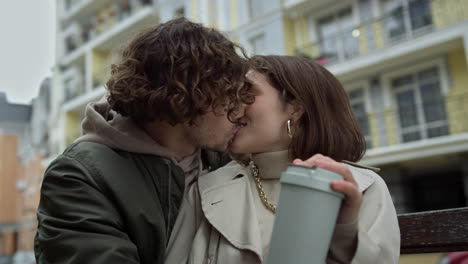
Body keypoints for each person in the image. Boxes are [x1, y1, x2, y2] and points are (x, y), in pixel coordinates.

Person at [34, 18, 254, 264]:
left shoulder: (223, 158)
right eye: (229, 97)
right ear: (187, 95)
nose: (241, 110)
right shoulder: (79, 176)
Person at [165, 55, 401, 264]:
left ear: (295, 109)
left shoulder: (364, 187)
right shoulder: (206, 189)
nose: (232, 106)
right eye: (232, 95)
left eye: (247, 93)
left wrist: (345, 232)